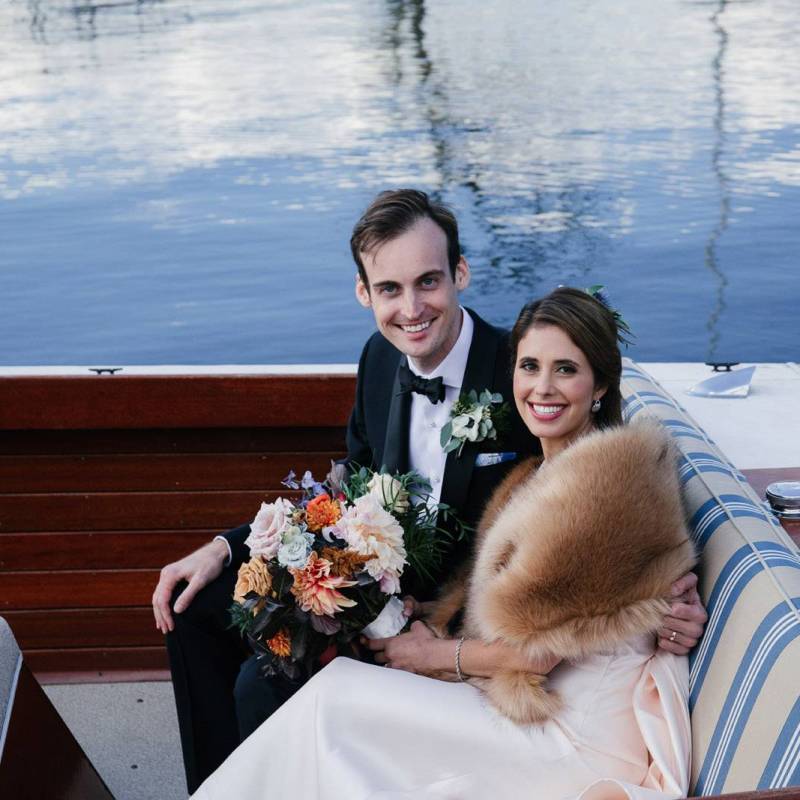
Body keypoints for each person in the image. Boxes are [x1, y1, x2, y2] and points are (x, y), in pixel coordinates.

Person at [151, 191, 706, 792]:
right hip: (380, 586)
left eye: (429, 282)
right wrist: (227, 549)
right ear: (365, 293)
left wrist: (665, 598)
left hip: (462, 619)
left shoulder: (520, 371)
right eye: (389, 289)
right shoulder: (379, 360)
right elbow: (346, 491)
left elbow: (602, 526)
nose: (411, 309)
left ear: (460, 274)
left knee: (265, 682)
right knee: (195, 610)